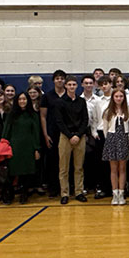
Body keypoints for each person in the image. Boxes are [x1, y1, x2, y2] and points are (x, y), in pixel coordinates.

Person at [54, 76, 90, 205]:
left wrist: (78, 135)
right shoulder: (60, 102)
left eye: (74, 84)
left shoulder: (81, 101)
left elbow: (85, 120)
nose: (71, 87)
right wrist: (70, 136)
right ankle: (64, 193)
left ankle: (79, 192)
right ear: (65, 86)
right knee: (63, 168)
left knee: (79, 167)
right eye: (69, 84)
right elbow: (59, 121)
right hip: (65, 137)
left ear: (77, 86)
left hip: (79, 137)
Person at [1, 92, 41, 204]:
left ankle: (24, 194)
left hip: (28, 147)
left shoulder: (33, 115)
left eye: (24, 99)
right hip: (14, 147)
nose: (22, 101)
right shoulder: (11, 114)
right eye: (20, 99)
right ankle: (9, 194)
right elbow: (6, 132)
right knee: (12, 172)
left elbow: (36, 133)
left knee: (27, 172)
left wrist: (37, 148)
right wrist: (4, 146)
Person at [100, 88, 129, 205]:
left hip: (124, 139)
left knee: (122, 168)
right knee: (113, 169)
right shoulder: (108, 111)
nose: (119, 98)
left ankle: (121, 192)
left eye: (121, 96)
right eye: (116, 96)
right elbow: (105, 129)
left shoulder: (128, 110)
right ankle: (115, 193)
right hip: (112, 139)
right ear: (113, 98)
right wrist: (109, 140)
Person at [39, 70, 67, 198]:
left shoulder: (70, 95)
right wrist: (45, 134)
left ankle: (66, 188)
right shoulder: (47, 96)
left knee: (66, 161)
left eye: (62, 78)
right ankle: (53, 188)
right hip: (52, 132)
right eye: (57, 78)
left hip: (67, 132)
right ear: (53, 80)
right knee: (53, 161)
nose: (60, 80)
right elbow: (43, 116)